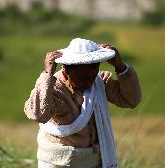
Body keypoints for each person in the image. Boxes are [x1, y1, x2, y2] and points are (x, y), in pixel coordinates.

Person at [24, 38, 141, 168]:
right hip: (59, 163)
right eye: (84, 77)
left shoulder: (99, 82)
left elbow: (131, 100)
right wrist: (47, 74)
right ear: (66, 71)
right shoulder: (54, 90)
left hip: (92, 162)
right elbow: (38, 114)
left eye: (94, 72)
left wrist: (120, 66)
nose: (90, 81)